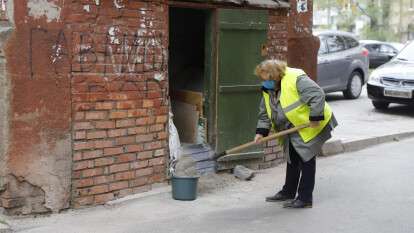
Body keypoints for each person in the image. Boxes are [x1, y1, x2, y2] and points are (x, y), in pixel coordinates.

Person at [254, 59, 338, 208]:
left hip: (312, 122)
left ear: (275, 76)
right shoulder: (269, 89)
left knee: (306, 158)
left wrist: (315, 117)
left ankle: (305, 198)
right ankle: (288, 191)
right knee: (292, 157)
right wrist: (261, 132)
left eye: (267, 79)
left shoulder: (296, 79)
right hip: (292, 126)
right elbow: (265, 112)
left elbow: (318, 94)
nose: (264, 82)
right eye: (262, 79)